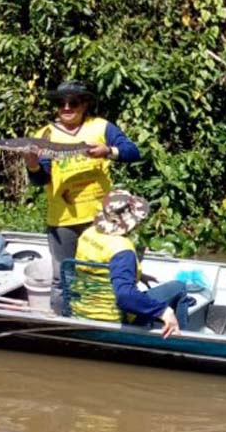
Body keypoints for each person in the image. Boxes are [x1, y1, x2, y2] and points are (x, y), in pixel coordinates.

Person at [24, 79, 140, 300]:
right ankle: (63, 322)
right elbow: (41, 180)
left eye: (73, 102)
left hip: (103, 217)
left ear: (84, 104)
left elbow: (132, 151)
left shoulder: (101, 127)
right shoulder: (43, 136)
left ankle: (102, 315)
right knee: (63, 277)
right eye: (61, 102)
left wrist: (109, 150)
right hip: (63, 220)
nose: (66, 108)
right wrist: (32, 165)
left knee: (104, 272)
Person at [70, 188, 192, 337]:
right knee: (179, 288)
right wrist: (164, 311)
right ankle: (181, 341)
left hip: (82, 311)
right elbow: (125, 297)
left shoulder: (88, 234)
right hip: (112, 317)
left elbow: (97, 267)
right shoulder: (121, 248)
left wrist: (139, 275)